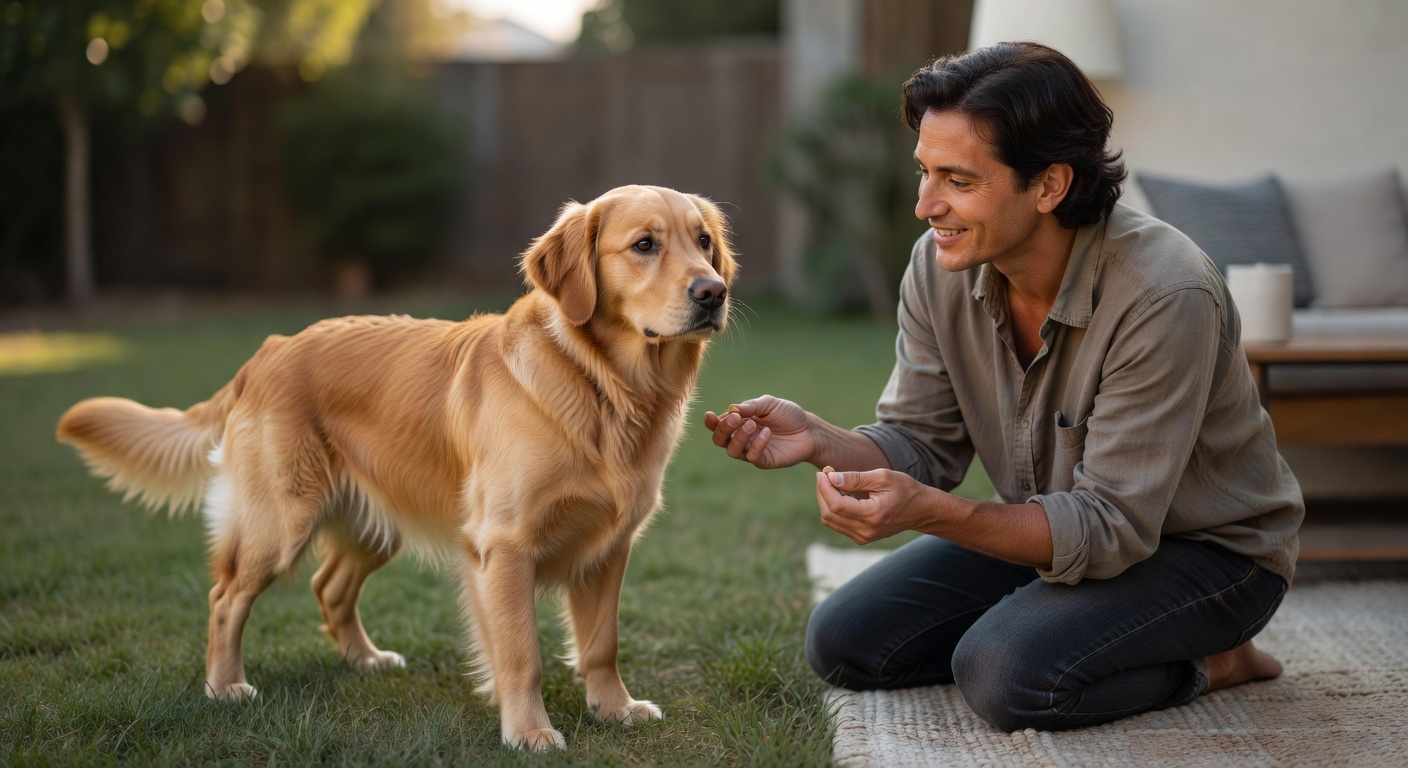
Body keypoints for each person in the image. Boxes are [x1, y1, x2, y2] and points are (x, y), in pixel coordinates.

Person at [703, 41, 1303, 732]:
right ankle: (1064, 622)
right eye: (924, 172)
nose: (927, 205)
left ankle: (1222, 660)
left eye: (958, 180)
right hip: (1056, 526)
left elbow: (1110, 527)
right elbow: (921, 445)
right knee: (846, 644)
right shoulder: (940, 267)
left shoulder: (1166, 293)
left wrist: (928, 512)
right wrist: (820, 440)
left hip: (1207, 555)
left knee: (1006, 672)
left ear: (1050, 185)